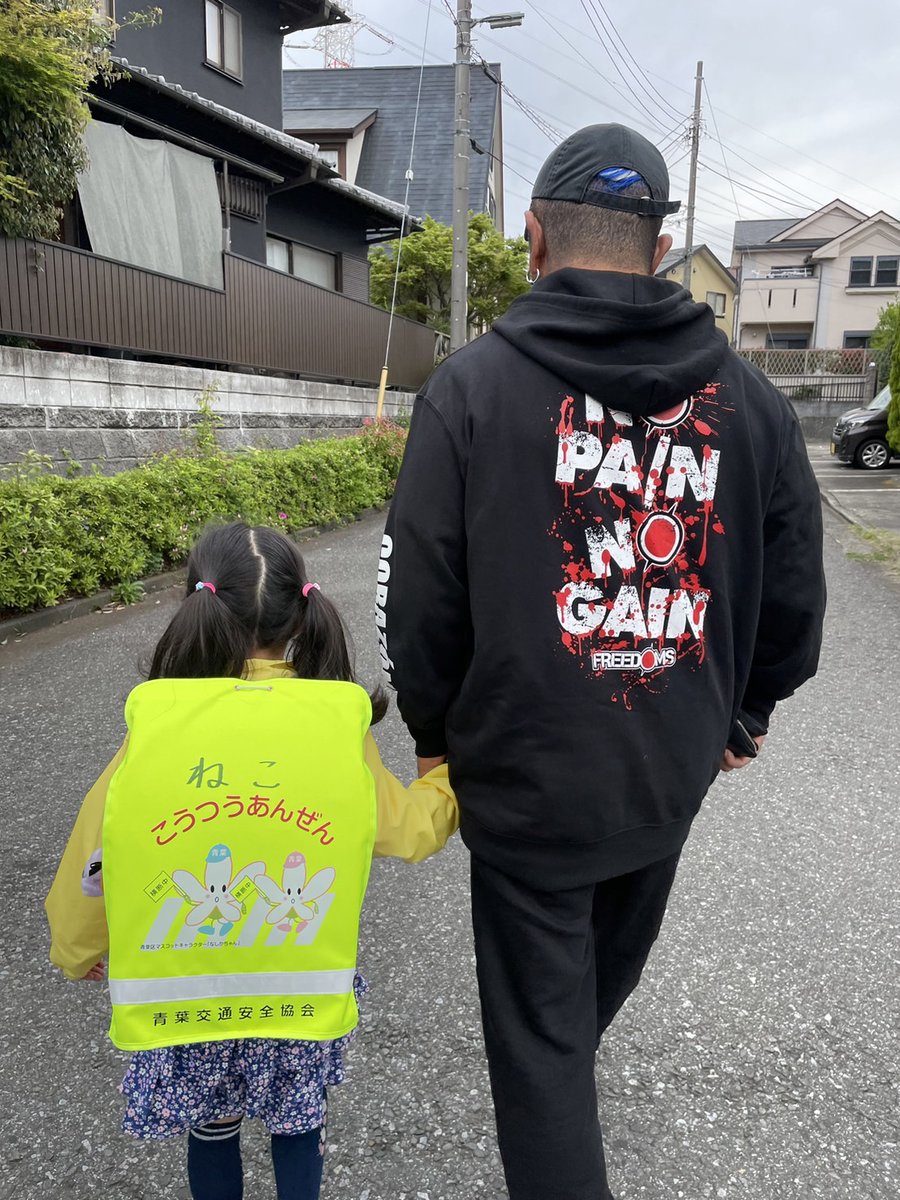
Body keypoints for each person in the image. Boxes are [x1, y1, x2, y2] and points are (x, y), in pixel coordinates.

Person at [377, 123, 826, 1199]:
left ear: (532, 237)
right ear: (661, 242)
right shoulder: (753, 406)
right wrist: (745, 712)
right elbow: (798, 589)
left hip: (524, 782)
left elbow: (422, 594)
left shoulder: (473, 388)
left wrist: (439, 738)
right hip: (665, 774)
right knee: (573, 1019)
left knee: (543, 1052)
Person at [46, 521, 459, 1200]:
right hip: (299, 995)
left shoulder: (157, 725)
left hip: (191, 996)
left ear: (194, 604)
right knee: (299, 1128)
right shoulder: (334, 723)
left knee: (211, 1131)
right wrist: (450, 776)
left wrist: (77, 948)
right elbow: (411, 831)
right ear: (303, 612)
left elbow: (98, 851)